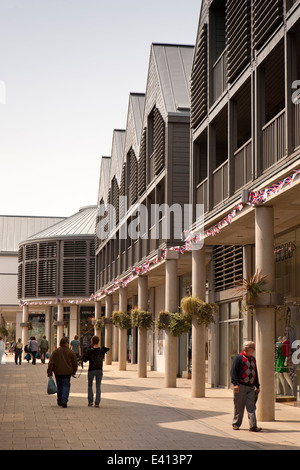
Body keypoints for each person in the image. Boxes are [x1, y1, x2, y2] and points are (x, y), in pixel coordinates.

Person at [231, 340, 261, 432]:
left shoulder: (253, 359)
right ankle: (236, 424)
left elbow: (255, 372)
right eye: (253, 347)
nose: (254, 349)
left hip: (251, 386)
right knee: (239, 406)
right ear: (247, 348)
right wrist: (235, 384)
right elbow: (233, 372)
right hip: (240, 386)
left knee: (251, 406)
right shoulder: (238, 358)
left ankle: (253, 426)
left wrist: (257, 385)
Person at [47, 337, 78, 408]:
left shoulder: (55, 352)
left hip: (57, 372)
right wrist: (74, 371)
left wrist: (49, 372)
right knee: (66, 386)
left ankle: (59, 400)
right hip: (67, 373)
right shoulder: (71, 352)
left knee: (59, 386)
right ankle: (64, 400)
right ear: (66, 343)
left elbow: (51, 363)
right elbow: (75, 363)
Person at [82, 336, 109, 407]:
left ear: (92, 341)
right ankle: (97, 402)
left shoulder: (90, 351)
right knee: (98, 386)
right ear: (98, 341)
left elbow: (85, 360)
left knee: (90, 385)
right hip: (99, 369)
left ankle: (90, 401)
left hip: (91, 369)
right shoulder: (101, 350)